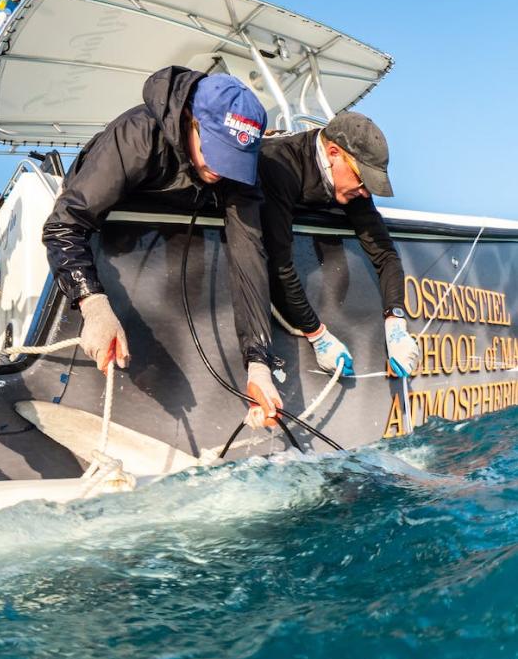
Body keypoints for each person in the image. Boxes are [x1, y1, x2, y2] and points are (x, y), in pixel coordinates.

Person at [42, 66, 281, 429]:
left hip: (177, 241)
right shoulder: (136, 135)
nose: (222, 168)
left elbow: (249, 259)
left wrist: (259, 362)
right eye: (215, 150)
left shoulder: (236, 168)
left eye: (233, 158)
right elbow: (64, 225)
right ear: (191, 120)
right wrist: (92, 303)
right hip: (107, 241)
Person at [258, 112, 421, 377]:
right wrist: (317, 335)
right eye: (362, 179)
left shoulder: (352, 186)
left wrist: (396, 322)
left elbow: (385, 255)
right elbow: (279, 264)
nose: (365, 192)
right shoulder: (279, 163)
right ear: (334, 153)